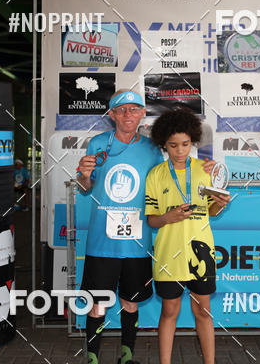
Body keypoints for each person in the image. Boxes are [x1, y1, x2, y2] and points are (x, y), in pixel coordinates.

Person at [76, 91, 214, 364]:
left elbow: (171, 176)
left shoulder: (152, 148)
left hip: (137, 244)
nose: (128, 114)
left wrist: (207, 170)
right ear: (112, 114)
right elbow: (84, 188)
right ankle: (92, 359)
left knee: (131, 302)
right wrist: (84, 175)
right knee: (98, 304)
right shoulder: (97, 143)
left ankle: (126, 358)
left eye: (134, 108)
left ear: (142, 114)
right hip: (102, 242)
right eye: (121, 109)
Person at [145, 110, 230, 364]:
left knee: (203, 311)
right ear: (164, 144)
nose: (180, 151)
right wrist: (167, 217)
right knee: (169, 310)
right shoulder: (155, 174)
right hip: (168, 254)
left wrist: (220, 204)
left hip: (201, 251)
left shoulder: (205, 170)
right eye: (173, 145)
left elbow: (212, 212)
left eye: (185, 144)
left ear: (192, 141)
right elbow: (151, 220)